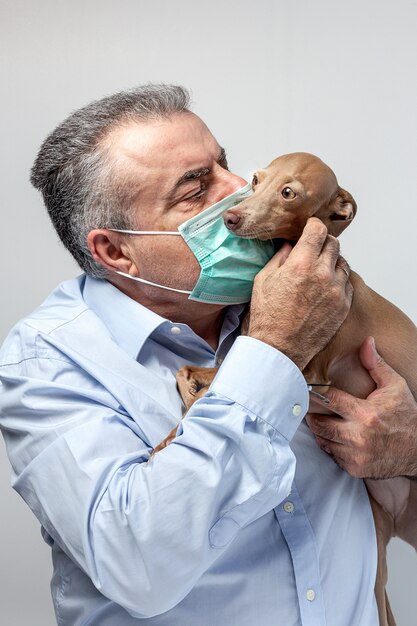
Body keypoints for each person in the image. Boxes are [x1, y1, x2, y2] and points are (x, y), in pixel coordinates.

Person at [0, 84, 416, 626]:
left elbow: (400, 514)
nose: (240, 191)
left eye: (225, 165)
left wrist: (409, 454)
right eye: (195, 190)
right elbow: (139, 567)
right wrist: (273, 350)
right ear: (115, 250)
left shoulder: (317, 304)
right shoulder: (46, 364)